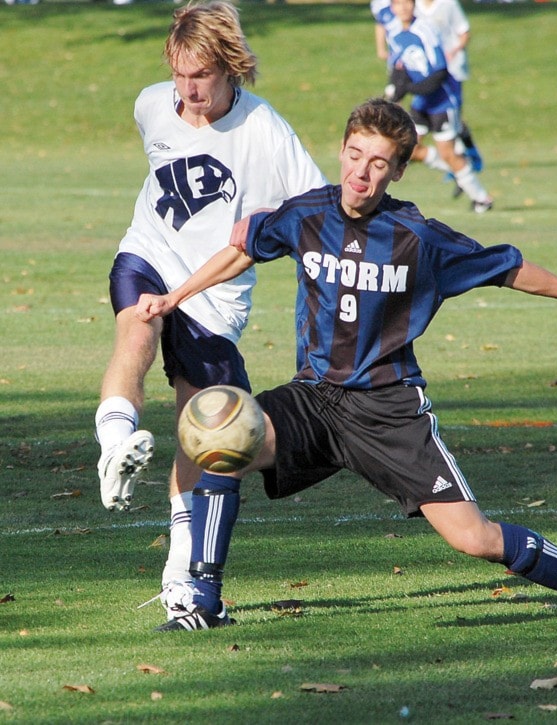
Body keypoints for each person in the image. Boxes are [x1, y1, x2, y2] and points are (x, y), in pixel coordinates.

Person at [136, 98, 557, 631]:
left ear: (398, 171)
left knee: (474, 538)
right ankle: (204, 603)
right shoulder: (306, 213)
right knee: (224, 442)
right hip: (315, 398)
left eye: (378, 163)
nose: (361, 172)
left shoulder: (420, 238)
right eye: (354, 154)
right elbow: (246, 247)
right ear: (341, 150)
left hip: (388, 412)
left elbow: (509, 267)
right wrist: (175, 295)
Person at [94, 0, 326, 620]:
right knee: (136, 328)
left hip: (215, 300)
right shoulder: (151, 105)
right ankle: (113, 441)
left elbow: (318, 214)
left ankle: (179, 578)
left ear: (231, 67)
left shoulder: (266, 133)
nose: (188, 89)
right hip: (146, 256)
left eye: (201, 74)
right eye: (179, 74)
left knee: (204, 434)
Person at [384, 0, 493, 213]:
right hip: (420, 103)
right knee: (410, 149)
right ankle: (461, 174)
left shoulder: (425, 30)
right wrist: (393, 94)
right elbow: (399, 69)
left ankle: (482, 199)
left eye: (408, 3)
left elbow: (439, 72)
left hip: (442, 101)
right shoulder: (394, 33)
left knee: (448, 153)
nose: (404, 7)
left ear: (413, 5)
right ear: (392, 7)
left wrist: (408, 88)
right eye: (399, 3)